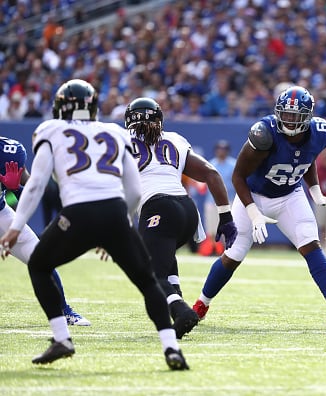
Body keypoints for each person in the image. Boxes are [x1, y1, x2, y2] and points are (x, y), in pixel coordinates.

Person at [0, 79, 188, 369]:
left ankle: (62, 339)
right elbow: (135, 190)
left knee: (39, 265)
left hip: (77, 214)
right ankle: (171, 349)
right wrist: (122, 224)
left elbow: (36, 185)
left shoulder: (51, 130)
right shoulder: (114, 132)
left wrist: (16, 226)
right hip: (114, 212)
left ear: (62, 107)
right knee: (148, 280)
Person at [191, 85, 326, 329]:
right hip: (254, 195)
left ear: (307, 115)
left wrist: (316, 193)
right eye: (285, 114)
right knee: (234, 254)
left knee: (310, 243)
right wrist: (253, 212)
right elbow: (238, 176)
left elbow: (306, 158)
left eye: (295, 115)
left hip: (290, 194)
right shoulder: (264, 133)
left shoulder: (320, 132)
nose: (289, 120)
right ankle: (201, 304)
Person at [124, 97, 237, 339]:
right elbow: (211, 173)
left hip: (157, 207)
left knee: (151, 274)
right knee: (164, 259)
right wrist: (225, 217)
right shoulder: (174, 139)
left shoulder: (122, 142)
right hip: (186, 210)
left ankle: (182, 311)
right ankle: (179, 306)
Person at [0, 137, 90, 326]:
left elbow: (32, 191)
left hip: (1, 212)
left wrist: (14, 189)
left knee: (40, 257)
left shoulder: (9, 151)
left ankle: (64, 311)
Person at [198, 139, 237, 257]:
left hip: (229, 200)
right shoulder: (211, 164)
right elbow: (202, 183)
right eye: (219, 149)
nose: (221, 152)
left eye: (224, 149)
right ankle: (213, 249)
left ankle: (228, 250)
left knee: (228, 226)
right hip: (212, 201)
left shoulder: (233, 164)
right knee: (211, 228)